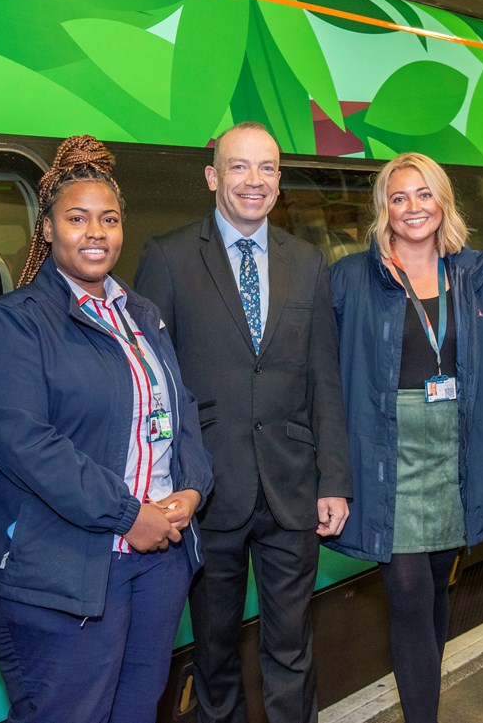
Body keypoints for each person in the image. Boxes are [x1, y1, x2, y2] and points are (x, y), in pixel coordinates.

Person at [0, 135, 213, 723]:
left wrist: (191, 490)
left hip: (157, 563)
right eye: (76, 218)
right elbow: (27, 446)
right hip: (65, 574)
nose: (95, 232)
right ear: (48, 228)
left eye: (108, 219)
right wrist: (128, 514)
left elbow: (180, 413)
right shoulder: (15, 324)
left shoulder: (141, 313)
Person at [134, 121, 351, 723]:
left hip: (293, 488)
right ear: (212, 177)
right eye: (239, 166)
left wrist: (334, 478)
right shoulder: (169, 257)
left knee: (292, 648)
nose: (254, 181)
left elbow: (324, 379)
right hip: (206, 489)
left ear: (279, 180)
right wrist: (163, 485)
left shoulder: (307, 262)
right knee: (214, 650)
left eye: (267, 169)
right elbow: (156, 385)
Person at [327, 153, 483, 723]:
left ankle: (422, 703)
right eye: (399, 197)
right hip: (387, 451)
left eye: (424, 195)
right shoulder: (353, 277)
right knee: (406, 593)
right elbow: (330, 374)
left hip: (454, 450)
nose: (413, 208)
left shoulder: (474, 275)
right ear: (384, 207)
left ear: (444, 202)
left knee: (433, 589)